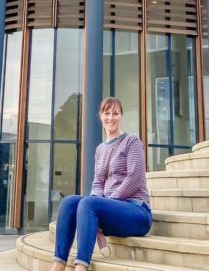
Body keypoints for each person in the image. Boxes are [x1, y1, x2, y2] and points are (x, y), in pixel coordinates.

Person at [51, 97, 152, 270]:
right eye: (107, 113)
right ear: (100, 116)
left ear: (121, 116)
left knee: (89, 202)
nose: (110, 117)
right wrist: (100, 202)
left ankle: (82, 267)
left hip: (137, 211)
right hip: (111, 210)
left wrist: (107, 202)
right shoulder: (100, 149)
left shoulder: (132, 141)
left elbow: (135, 178)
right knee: (69, 202)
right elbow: (98, 182)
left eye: (115, 113)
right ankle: (58, 265)